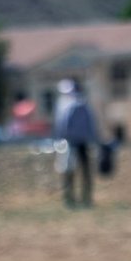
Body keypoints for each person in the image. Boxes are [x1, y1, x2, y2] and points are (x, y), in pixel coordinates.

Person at [52, 78, 99, 208]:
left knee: (83, 170)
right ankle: (70, 199)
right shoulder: (64, 103)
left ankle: (85, 198)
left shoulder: (79, 103)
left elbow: (89, 123)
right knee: (69, 170)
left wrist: (93, 139)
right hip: (69, 142)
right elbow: (60, 125)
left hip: (79, 142)